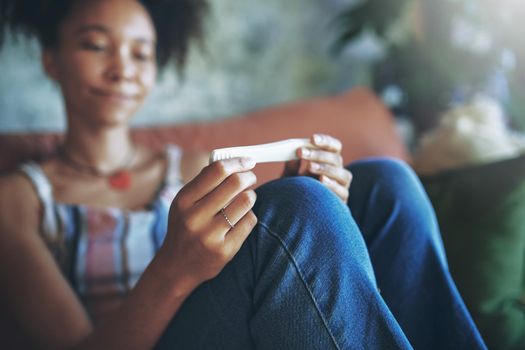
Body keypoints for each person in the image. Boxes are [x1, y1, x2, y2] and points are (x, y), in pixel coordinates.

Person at [0, 0, 486, 349]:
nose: (122, 69)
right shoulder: (20, 199)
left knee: (386, 182)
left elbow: (281, 250)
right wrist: (173, 267)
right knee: (297, 208)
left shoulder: (192, 167)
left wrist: (322, 210)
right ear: (51, 61)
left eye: (140, 53)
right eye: (96, 46)